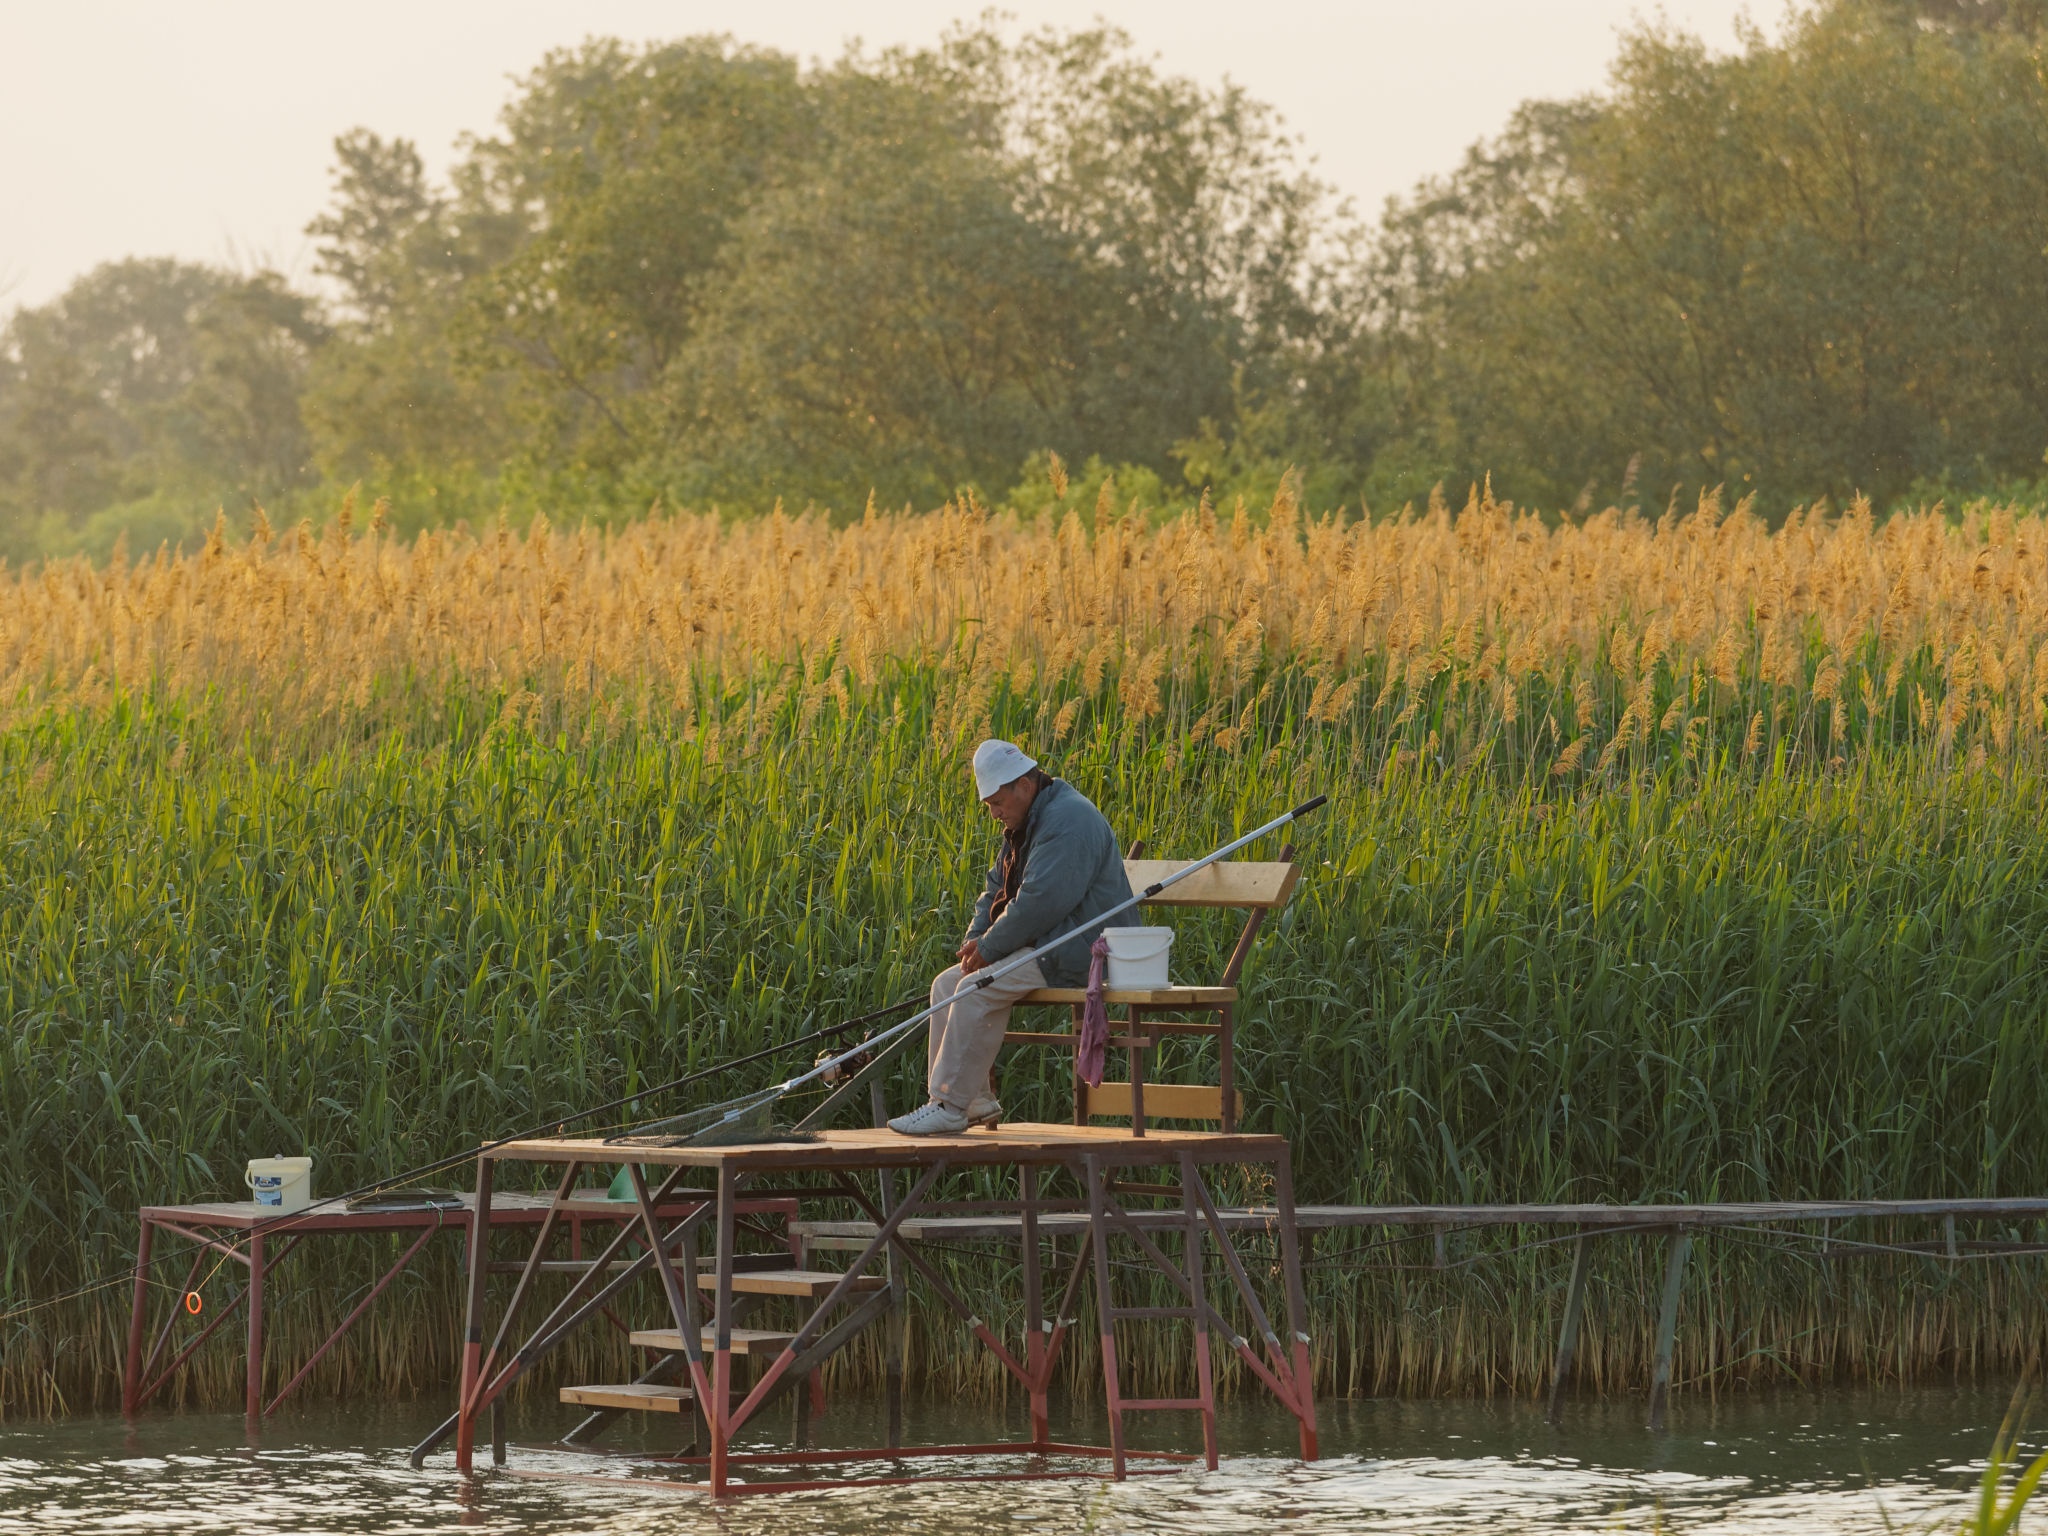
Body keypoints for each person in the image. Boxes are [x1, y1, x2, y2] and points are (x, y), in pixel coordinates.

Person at [888, 739, 1135, 1136]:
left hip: (1082, 949)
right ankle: (974, 1100)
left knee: (975, 987)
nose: (994, 813)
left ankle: (948, 1106)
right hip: (1049, 942)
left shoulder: (1069, 820)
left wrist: (988, 950)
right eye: (989, 805)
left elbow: (1040, 902)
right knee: (949, 982)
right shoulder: (1027, 822)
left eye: (997, 802)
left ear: (1024, 784)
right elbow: (995, 890)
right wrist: (975, 942)